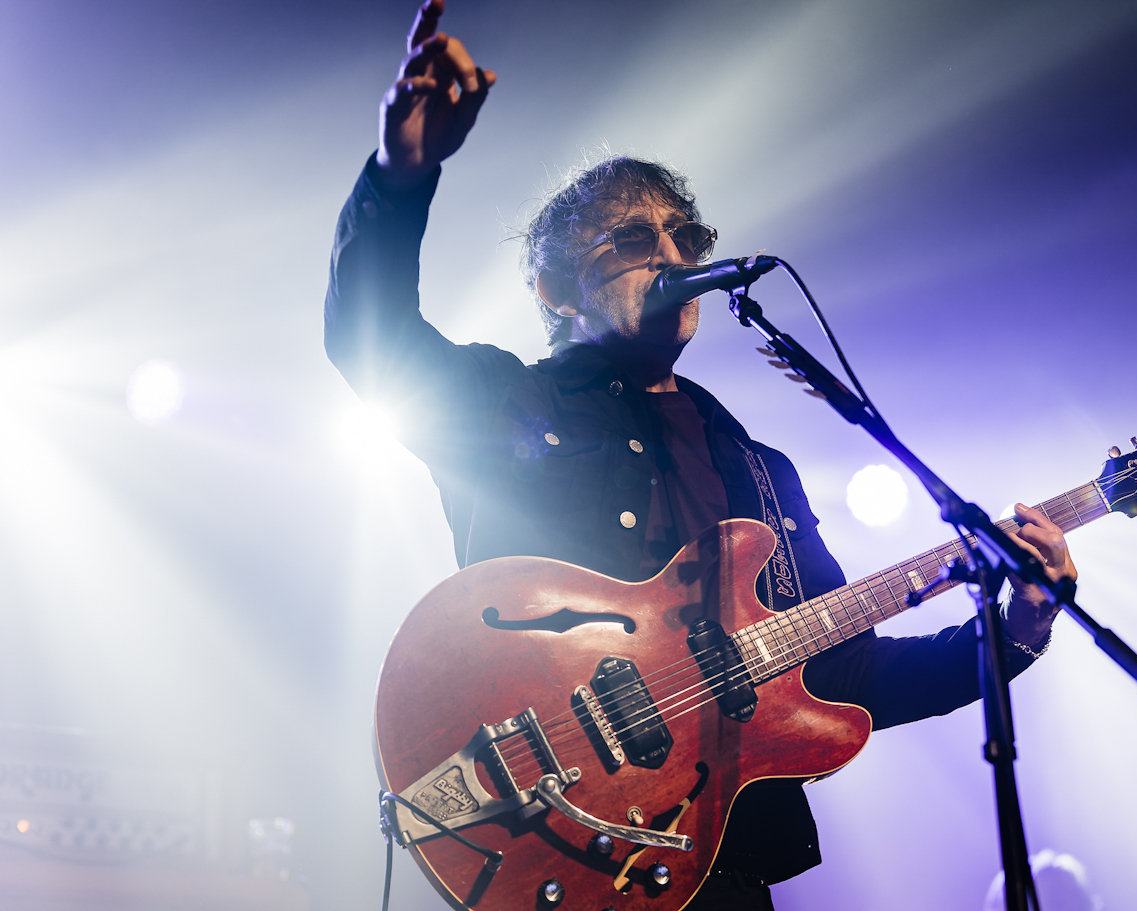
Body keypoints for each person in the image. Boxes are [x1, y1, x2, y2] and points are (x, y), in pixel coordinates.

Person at [324, 2, 1078, 908]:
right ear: (555, 287)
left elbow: (850, 674)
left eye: (688, 237)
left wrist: (1022, 626)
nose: (674, 255)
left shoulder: (761, 471)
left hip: (715, 863)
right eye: (636, 240)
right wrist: (401, 177)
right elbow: (370, 341)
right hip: (553, 830)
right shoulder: (505, 403)